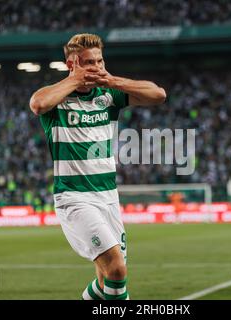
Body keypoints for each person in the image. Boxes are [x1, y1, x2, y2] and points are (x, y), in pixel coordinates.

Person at [29, 33, 166, 300]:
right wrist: (73, 80)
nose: (98, 67)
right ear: (73, 64)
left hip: (108, 197)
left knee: (106, 279)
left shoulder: (109, 94)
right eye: (90, 62)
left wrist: (113, 80)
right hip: (75, 197)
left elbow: (158, 95)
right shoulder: (57, 100)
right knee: (116, 268)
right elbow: (37, 103)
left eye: (101, 61)